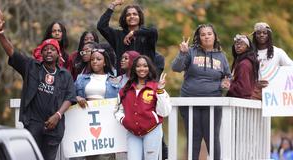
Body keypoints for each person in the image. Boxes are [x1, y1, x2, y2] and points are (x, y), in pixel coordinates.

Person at [0, 10, 77, 160]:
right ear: (42, 53)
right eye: (45, 50)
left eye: (52, 49)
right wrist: (1, 34)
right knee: (31, 157)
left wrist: (57, 116)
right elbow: (12, 52)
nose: (49, 52)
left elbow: (70, 97)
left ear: (58, 54)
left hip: (54, 125)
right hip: (33, 123)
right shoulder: (31, 66)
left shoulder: (65, 75)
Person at [171, 24, 231, 159]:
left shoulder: (221, 56)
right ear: (198, 37)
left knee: (212, 138)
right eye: (203, 34)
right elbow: (176, 68)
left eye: (209, 33)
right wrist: (182, 53)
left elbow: (227, 77)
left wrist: (225, 84)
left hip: (213, 102)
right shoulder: (191, 51)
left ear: (214, 36)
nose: (206, 37)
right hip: (190, 102)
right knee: (194, 137)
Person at [114, 55, 171, 160]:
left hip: (152, 131)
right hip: (133, 133)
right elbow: (117, 109)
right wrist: (123, 120)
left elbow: (164, 112)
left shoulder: (155, 87)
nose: (142, 69)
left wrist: (160, 91)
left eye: (145, 66)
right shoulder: (126, 89)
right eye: (138, 66)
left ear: (149, 68)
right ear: (134, 68)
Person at [74, 44, 120, 160]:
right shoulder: (81, 78)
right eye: (92, 59)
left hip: (106, 123)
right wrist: (76, 98)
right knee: (87, 154)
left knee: (105, 156)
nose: (95, 62)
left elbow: (120, 101)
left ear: (105, 62)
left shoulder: (114, 80)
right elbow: (69, 95)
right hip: (85, 122)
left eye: (98, 59)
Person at [97, 0, 158, 72]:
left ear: (140, 17)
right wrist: (112, 5)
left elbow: (153, 31)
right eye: (128, 15)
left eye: (135, 14)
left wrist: (134, 33)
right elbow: (101, 26)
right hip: (123, 78)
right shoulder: (117, 35)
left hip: (145, 77)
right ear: (124, 18)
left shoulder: (147, 35)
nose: (131, 16)